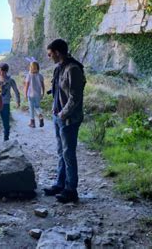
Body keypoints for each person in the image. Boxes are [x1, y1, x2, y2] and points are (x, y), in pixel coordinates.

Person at [43, 39, 86, 203]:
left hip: (68, 119)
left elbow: (75, 98)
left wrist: (62, 114)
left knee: (68, 154)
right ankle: (60, 185)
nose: (49, 57)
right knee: (61, 152)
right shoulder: (59, 68)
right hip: (58, 116)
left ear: (57, 52)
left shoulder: (73, 69)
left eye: (50, 54)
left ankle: (71, 190)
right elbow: (59, 89)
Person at [0, 63, 21, 141]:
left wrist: (18, 101)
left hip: (5, 104)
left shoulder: (10, 80)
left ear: (6, 71)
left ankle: (6, 139)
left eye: (3, 71)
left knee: (6, 122)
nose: (1, 73)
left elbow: (16, 91)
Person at [23, 61, 45, 128]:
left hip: (31, 94)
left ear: (30, 68)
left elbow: (26, 85)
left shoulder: (29, 75)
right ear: (38, 67)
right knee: (37, 107)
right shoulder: (40, 75)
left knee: (31, 108)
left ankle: (32, 123)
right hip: (38, 94)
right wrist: (43, 93)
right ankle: (40, 116)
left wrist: (25, 94)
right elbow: (43, 85)